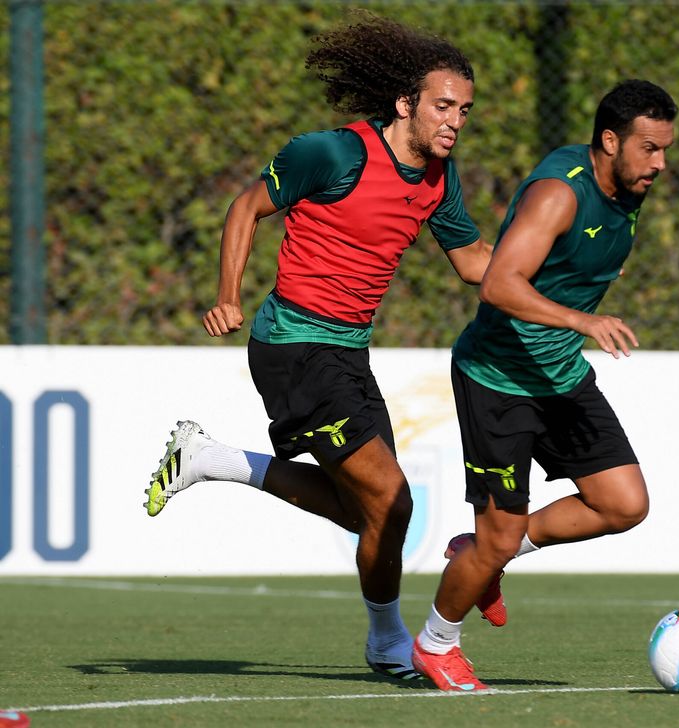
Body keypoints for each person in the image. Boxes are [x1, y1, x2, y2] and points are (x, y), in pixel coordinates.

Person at [142, 11, 491, 682]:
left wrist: (549, 267)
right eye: (444, 105)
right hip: (292, 347)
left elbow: (475, 261)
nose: (455, 120)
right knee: (388, 501)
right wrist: (227, 295)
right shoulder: (333, 154)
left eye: (466, 110)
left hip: (349, 354)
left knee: (383, 512)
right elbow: (246, 207)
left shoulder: (441, 180)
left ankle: (211, 459)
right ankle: (392, 645)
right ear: (405, 103)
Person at [411, 79, 678, 691]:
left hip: (558, 374)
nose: (660, 164)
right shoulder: (560, 195)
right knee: (496, 535)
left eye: (665, 150)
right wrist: (584, 321)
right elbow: (498, 283)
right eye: (649, 149)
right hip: (499, 380)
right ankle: (435, 642)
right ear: (609, 141)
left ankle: (485, 554)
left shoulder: (624, 185)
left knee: (623, 504)